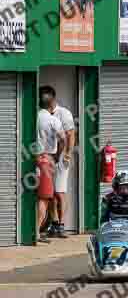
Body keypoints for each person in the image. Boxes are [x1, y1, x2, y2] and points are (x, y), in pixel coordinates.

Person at [39, 86, 75, 238]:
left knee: (60, 192)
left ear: (52, 99)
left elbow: (70, 135)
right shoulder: (44, 115)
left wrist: (66, 155)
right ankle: (53, 222)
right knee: (50, 193)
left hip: (60, 158)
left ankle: (61, 224)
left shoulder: (64, 113)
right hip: (48, 157)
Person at [36, 92, 65, 243]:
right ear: (52, 103)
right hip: (46, 160)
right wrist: (57, 156)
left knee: (38, 196)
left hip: (33, 159)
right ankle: (35, 233)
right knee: (45, 198)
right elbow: (63, 139)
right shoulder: (53, 120)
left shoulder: (33, 117)